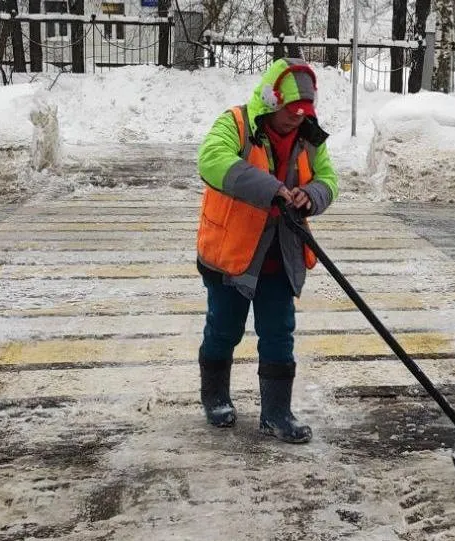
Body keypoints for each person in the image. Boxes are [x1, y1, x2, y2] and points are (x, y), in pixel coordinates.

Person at [195, 58, 339, 444]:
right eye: (291, 111)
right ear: (272, 102)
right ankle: (216, 397)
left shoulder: (309, 137)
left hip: (282, 253)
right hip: (232, 254)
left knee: (279, 333)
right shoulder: (237, 123)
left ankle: (276, 413)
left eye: (303, 112)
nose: (297, 119)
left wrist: (310, 197)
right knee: (225, 329)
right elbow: (211, 161)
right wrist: (270, 188)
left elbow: (328, 179)